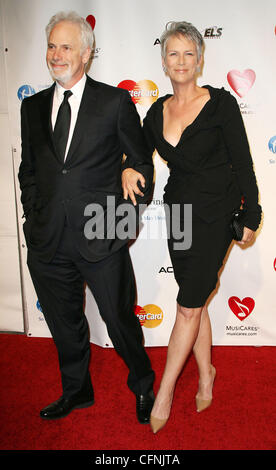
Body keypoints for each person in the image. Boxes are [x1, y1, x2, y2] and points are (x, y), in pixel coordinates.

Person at [18, 11, 155, 423]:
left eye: (67, 47)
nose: (57, 55)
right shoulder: (32, 106)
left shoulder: (114, 102)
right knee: (64, 324)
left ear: (87, 53)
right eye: (52, 46)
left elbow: (141, 163)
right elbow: (30, 170)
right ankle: (77, 392)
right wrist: (33, 215)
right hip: (48, 239)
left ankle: (144, 384)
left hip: (101, 234)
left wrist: (129, 195)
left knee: (118, 320)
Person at [142, 21, 262, 433]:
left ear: (199, 59)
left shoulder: (222, 105)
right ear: (163, 61)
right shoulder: (156, 110)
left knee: (188, 306)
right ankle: (206, 372)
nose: (180, 61)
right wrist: (126, 169)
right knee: (194, 301)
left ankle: (166, 390)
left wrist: (253, 213)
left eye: (188, 54)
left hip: (215, 212)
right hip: (178, 212)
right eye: (172, 54)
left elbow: (244, 162)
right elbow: (138, 154)